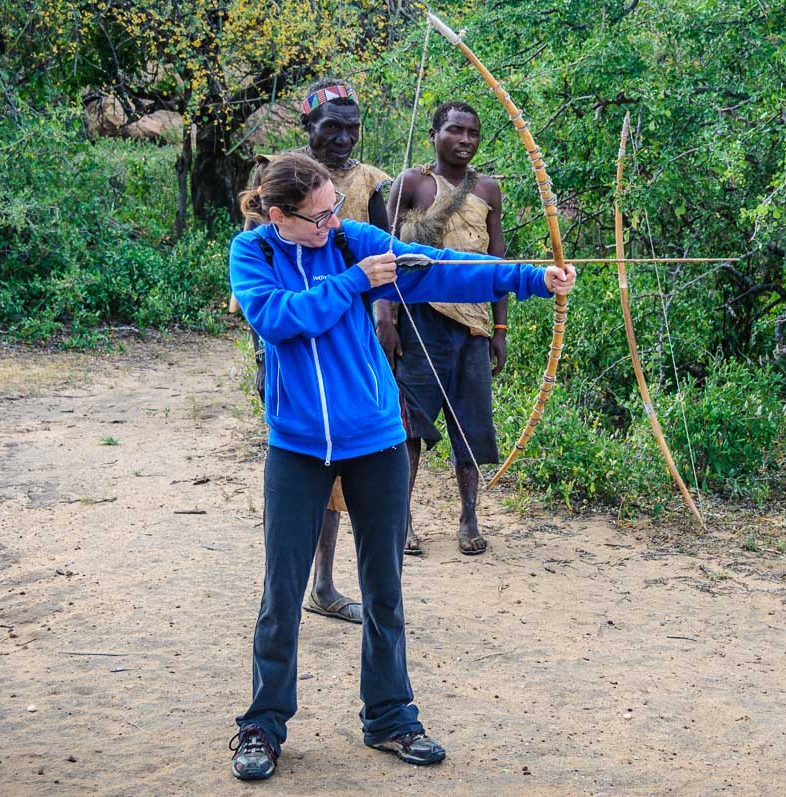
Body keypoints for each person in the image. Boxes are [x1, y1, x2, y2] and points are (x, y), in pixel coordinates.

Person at [227, 151, 575, 780]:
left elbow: (440, 269)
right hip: (298, 445)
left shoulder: (352, 238)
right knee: (281, 592)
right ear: (279, 216)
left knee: (383, 587)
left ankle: (389, 717)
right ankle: (262, 725)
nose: (332, 222)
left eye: (336, 208)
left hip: (377, 441)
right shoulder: (255, 254)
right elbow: (278, 320)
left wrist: (530, 277)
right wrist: (357, 281)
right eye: (317, 216)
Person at [234, 80, 394, 624]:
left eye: (353, 127)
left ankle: (329, 585)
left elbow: (398, 259)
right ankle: (319, 582)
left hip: (355, 341)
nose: (345, 137)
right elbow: (272, 305)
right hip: (295, 359)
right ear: (308, 131)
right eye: (333, 127)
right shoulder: (279, 185)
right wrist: (267, 360)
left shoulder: (368, 183)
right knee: (310, 468)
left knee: (354, 451)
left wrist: (530, 277)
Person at [379, 101, 505, 556]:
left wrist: (501, 329)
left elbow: (497, 264)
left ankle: (469, 517)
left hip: (472, 325)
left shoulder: (487, 190)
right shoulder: (412, 183)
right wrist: (387, 318)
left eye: (473, 133)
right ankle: (403, 518)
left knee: (471, 426)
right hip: (420, 320)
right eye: (455, 130)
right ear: (434, 133)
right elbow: (385, 254)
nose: (465, 140)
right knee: (410, 425)